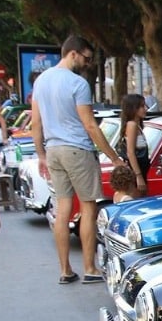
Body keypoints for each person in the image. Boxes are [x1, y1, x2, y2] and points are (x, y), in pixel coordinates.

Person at [30, 35, 126, 285]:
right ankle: (89, 268)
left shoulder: (41, 80)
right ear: (73, 53)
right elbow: (90, 125)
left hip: (53, 150)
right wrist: (114, 157)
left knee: (62, 209)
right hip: (77, 149)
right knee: (88, 208)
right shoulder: (78, 83)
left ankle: (65, 270)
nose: (88, 63)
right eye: (87, 58)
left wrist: (41, 155)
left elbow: (36, 123)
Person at [118, 93, 150, 197]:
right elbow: (130, 152)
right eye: (142, 106)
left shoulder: (137, 125)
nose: (145, 109)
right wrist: (138, 176)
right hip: (136, 171)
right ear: (133, 108)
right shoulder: (132, 125)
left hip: (142, 169)